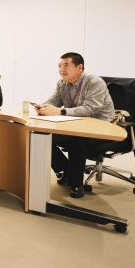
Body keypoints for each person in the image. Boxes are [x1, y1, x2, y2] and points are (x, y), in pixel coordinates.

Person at [35, 52, 115, 198]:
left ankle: (76, 184)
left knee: (76, 140)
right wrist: (43, 107)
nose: (61, 69)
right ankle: (66, 171)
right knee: (42, 136)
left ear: (80, 67)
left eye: (66, 65)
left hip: (100, 128)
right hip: (75, 125)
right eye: (59, 65)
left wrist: (59, 111)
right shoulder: (62, 83)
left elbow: (90, 109)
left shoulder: (94, 82)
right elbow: (53, 101)